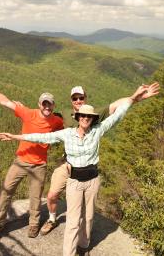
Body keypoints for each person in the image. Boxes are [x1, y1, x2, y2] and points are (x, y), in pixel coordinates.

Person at [0, 83, 159, 256]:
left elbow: (117, 113)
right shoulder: (67, 133)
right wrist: (16, 136)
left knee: (88, 217)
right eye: (82, 115)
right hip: (73, 179)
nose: (85, 118)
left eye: (88, 116)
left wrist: (135, 98)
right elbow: (42, 136)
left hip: (92, 180)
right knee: (73, 221)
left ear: (92, 117)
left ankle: (84, 245)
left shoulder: (98, 130)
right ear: (77, 116)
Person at [40, 84, 156, 235]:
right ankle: (52, 219)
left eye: (81, 97)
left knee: (81, 204)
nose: (78, 100)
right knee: (52, 194)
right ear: (71, 100)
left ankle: (81, 234)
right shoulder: (65, 113)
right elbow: (46, 114)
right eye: (75, 98)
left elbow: (116, 106)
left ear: (85, 98)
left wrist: (135, 98)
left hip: (86, 166)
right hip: (67, 162)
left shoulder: (94, 113)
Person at [0, 70, 64, 238]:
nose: (47, 107)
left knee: (35, 197)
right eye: (44, 104)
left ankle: (34, 225)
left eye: (50, 104)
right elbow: (4, 101)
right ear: (39, 104)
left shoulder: (57, 121)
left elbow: (70, 130)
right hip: (21, 160)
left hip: (40, 164)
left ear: (53, 106)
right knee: (6, 191)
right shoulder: (28, 113)